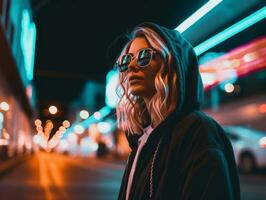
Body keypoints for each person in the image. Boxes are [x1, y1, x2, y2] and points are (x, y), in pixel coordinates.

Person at [114, 22, 240, 200]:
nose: (132, 66)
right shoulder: (143, 139)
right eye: (127, 60)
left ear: (171, 65)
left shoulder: (197, 131)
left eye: (143, 56)